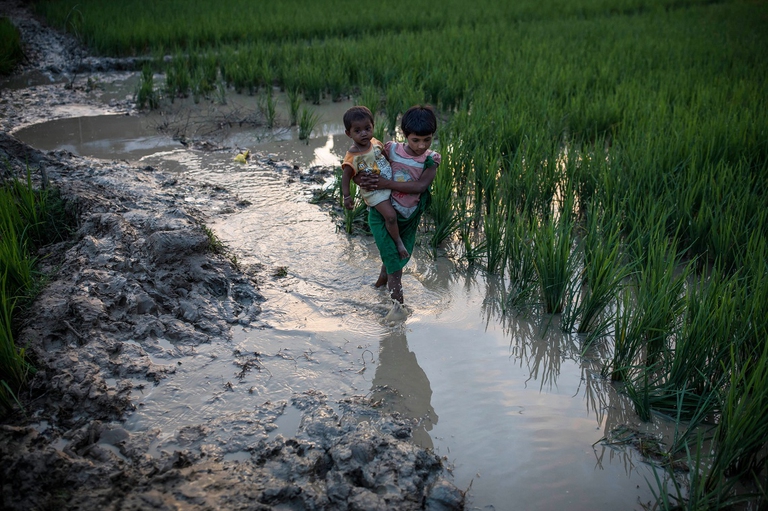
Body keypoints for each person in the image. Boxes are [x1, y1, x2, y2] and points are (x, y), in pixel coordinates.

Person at [354, 105, 441, 305]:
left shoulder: (430, 159)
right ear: (405, 134)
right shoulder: (391, 149)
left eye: (427, 140)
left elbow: (420, 186)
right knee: (395, 267)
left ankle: (377, 289)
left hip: (408, 218)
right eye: (415, 140)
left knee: (391, 259)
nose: (421, 145)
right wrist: (361, 180)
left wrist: (386, 184)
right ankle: (398, 310)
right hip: (383, 216)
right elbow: (366, 166)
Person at [341, 106, 409, 259]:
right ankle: (398, 242)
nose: (364, 133)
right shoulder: (352, 155)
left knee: (401, 211)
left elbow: (385, 156)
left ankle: (397, 234)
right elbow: (346, 177)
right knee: (391, 216)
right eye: (357, 131)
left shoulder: (376, 142)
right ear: (348, 133)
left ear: (373, 126)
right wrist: (347, 197)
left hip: (388, 182)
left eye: (367, 128)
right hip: (374, 191)